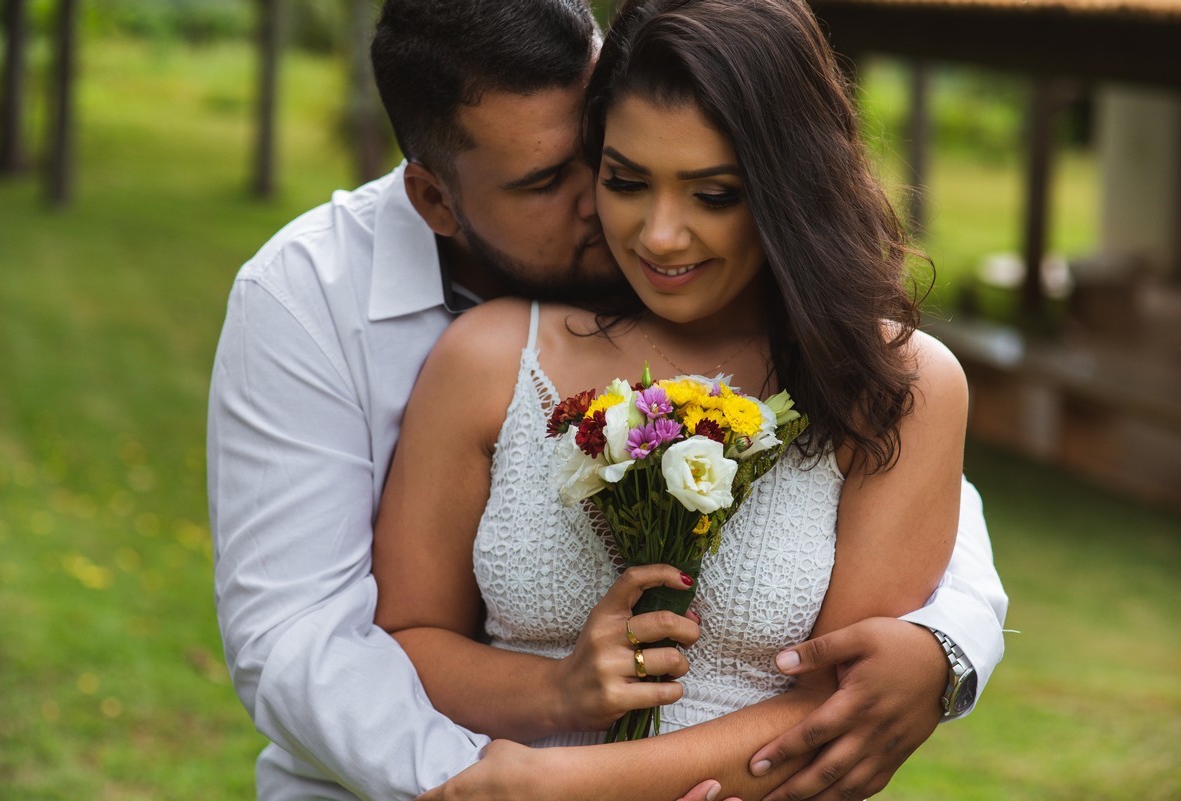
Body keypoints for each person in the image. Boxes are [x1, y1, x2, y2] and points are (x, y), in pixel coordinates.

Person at [206, 1, 1007, 800]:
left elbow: (899, 561)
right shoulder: (332, 306)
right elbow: (305, 638)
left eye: (712, 192)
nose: (646, 231)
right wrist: (523, 754)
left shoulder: (893, 382)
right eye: (605, 177)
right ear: (438, 200)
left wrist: (948, 642)